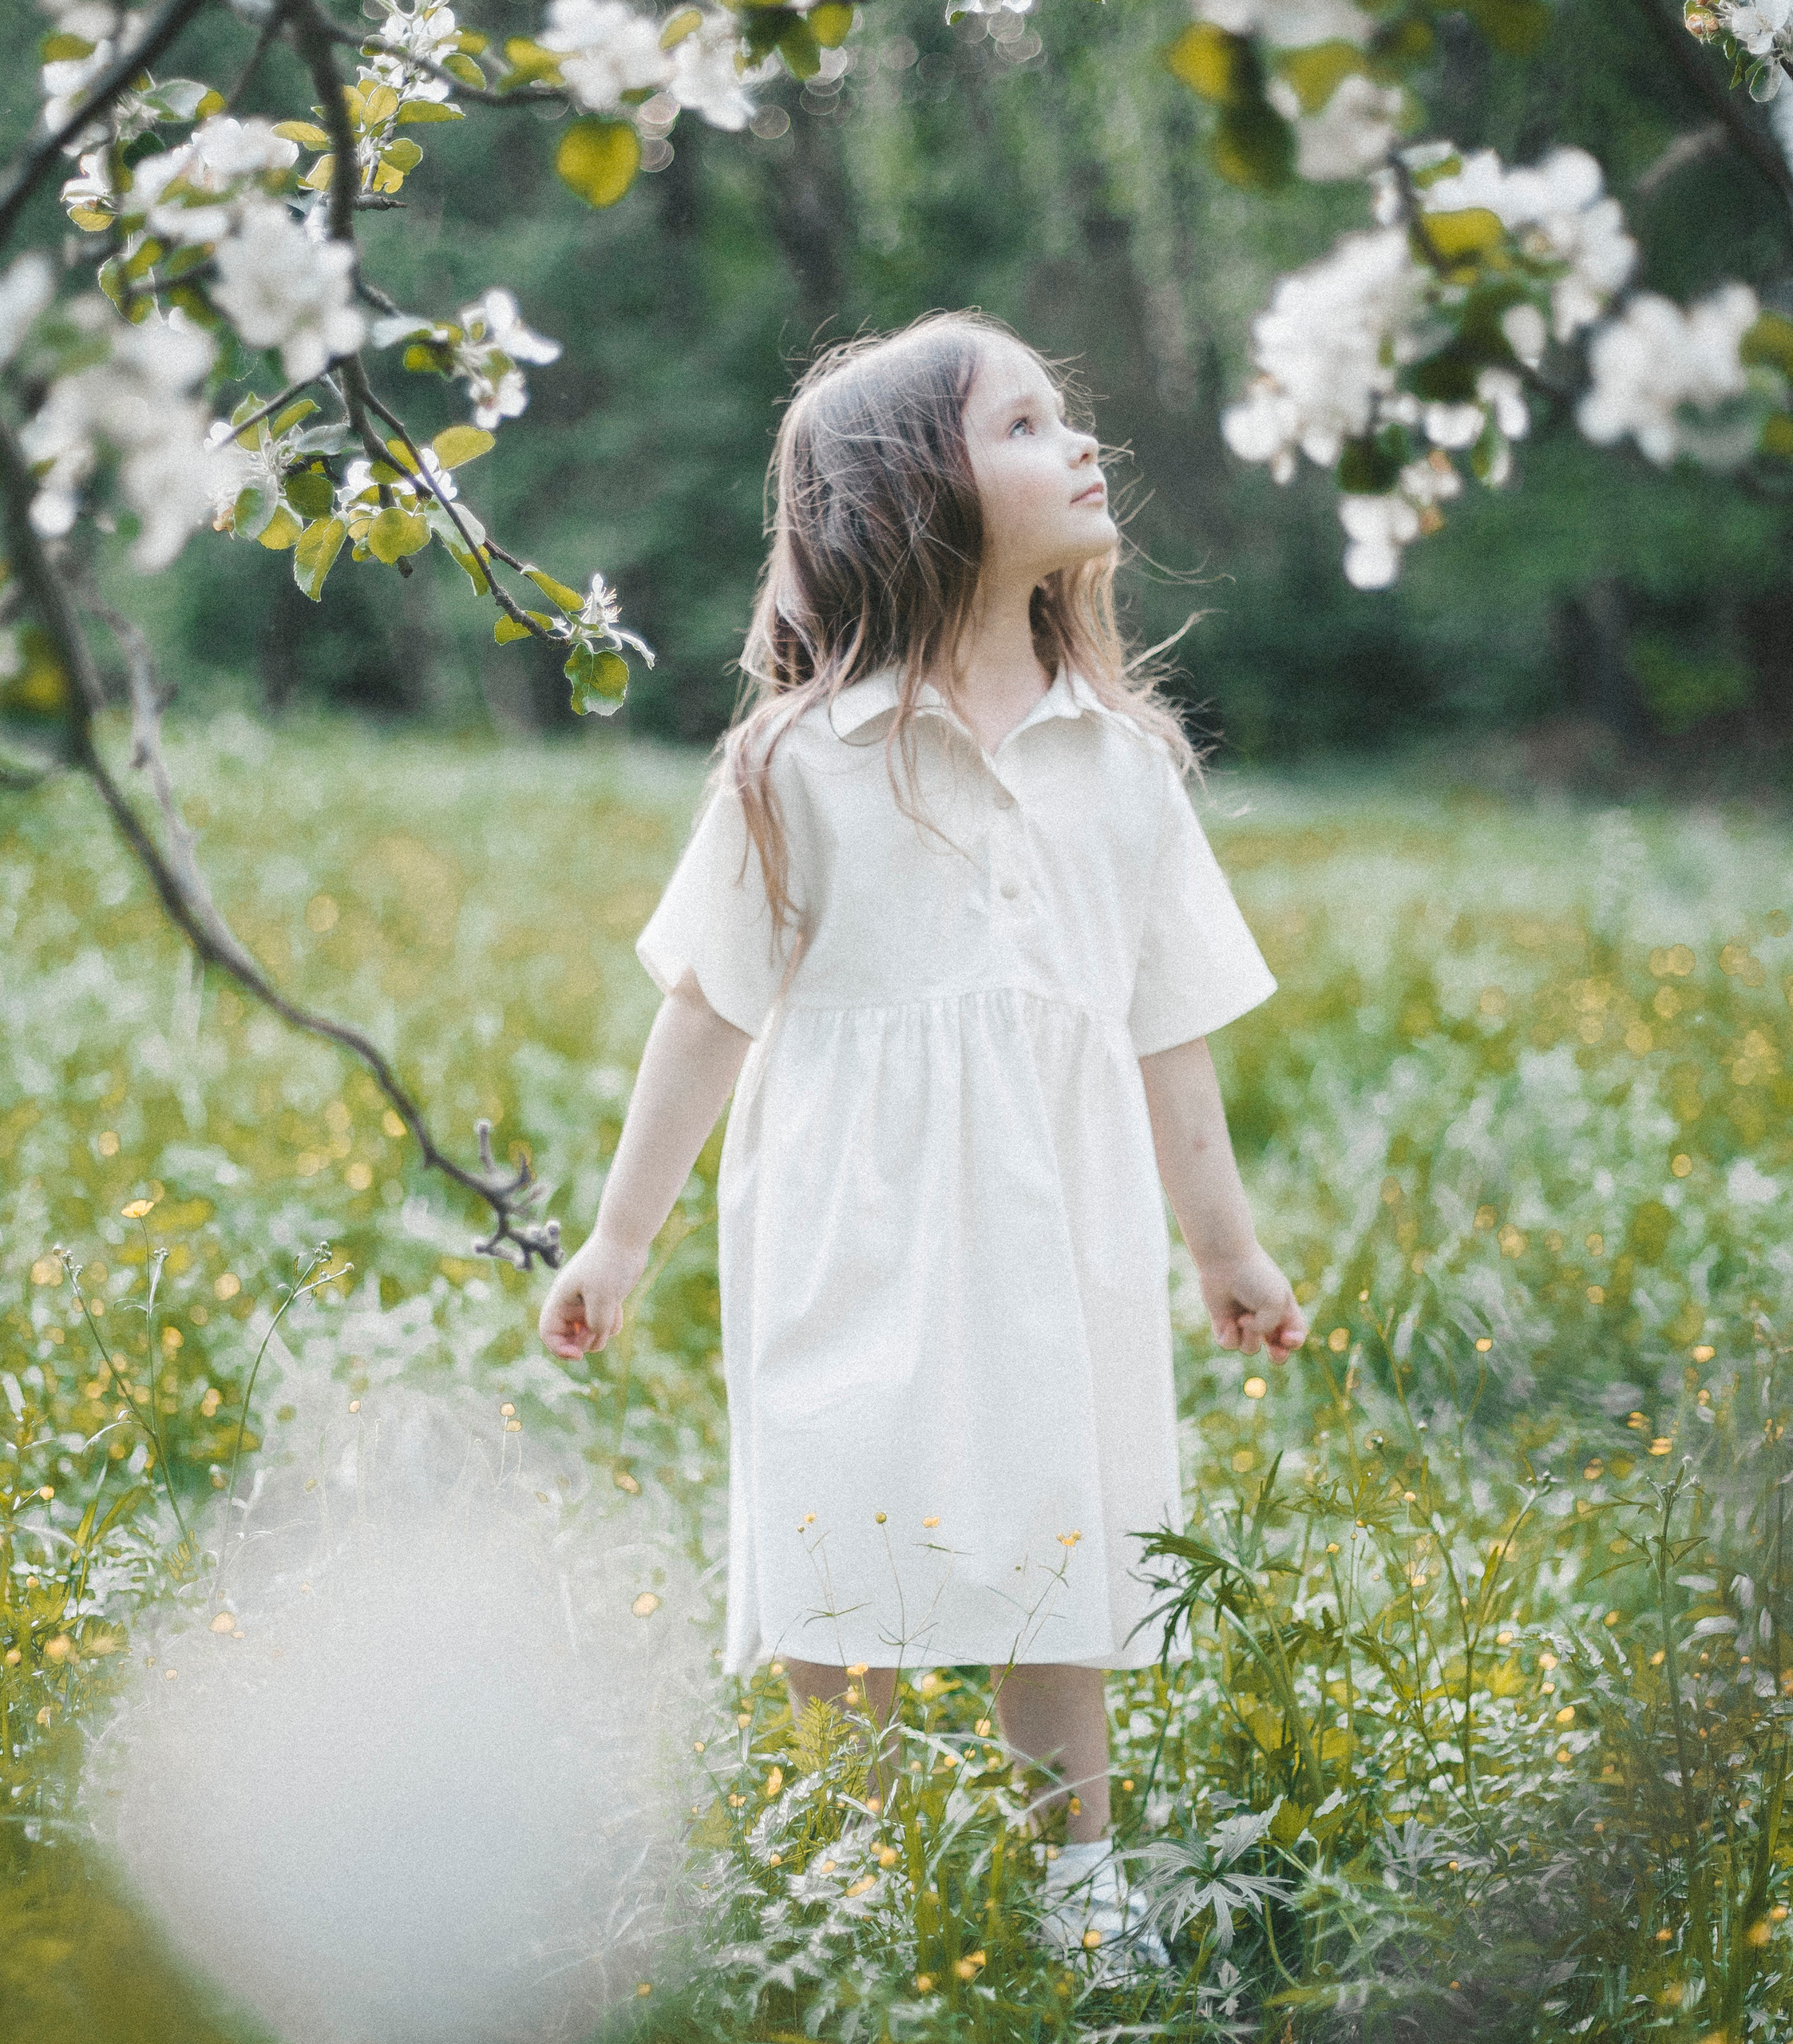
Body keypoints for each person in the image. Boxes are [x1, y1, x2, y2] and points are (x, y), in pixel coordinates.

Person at [537, 309, 1307, 1963]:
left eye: (1064, 416)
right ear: (914, 497)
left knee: (1057, 1511)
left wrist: (1222, 1243)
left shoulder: (1124, 764)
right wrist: (616, 1234)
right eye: (1027, 424)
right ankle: (850, 1864)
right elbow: (704, 1014)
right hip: (847, 1216)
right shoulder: (796, 766)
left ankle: (1075, 1870)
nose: (1080, 443)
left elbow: (1163, 1024)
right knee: (840, 1500)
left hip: (1058, 1215)